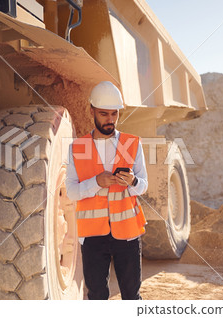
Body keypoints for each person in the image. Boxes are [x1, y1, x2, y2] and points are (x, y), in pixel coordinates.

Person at [65, 81, 148, 300]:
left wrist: (132, 181)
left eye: (114, 114)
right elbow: (72, 192)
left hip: (127, 232)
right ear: (91, 111)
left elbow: (143, 185)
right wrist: (96, 182)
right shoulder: (77, 147)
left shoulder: (132, 144)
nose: (109, 119)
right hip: (92, 235)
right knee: (97, 296)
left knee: (131, 295)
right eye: (103, 114)